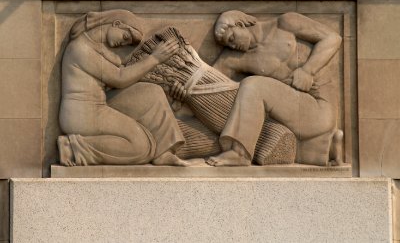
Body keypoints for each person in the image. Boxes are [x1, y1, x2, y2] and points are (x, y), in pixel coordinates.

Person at [206, 10, 343, 166]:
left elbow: (333, 38)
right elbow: (209, 83)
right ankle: (328, 144)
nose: (232, 46)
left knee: (253, 85)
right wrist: (181, 91)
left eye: (231, 38)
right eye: (228, 44)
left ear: (240, 24)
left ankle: (240, 153)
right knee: (252, 86)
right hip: (297, 115)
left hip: (321, 109)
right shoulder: (233, 59)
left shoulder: (286, 22)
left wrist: (308, 70)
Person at [57, 9, 189, 166]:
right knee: (141, 146)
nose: (124, 43)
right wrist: (155, 58)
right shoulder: (80, 49)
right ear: (117, 24)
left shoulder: (97, 48)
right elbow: (119, 78)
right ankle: (72, 148)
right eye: (126, 37)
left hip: (100, 105)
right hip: (81, 114)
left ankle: (163, 152)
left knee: (151, 92)